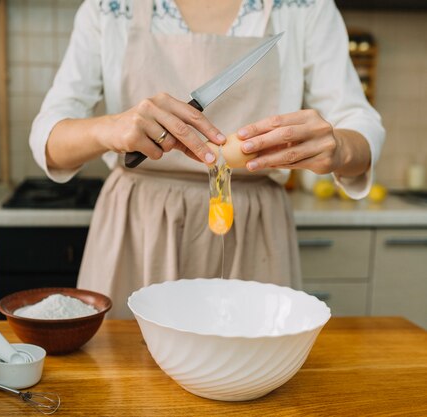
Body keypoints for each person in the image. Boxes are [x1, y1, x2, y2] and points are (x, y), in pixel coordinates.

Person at [29, 0, 385, 318]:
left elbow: (360, 123)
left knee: (250, 370)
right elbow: (48, 138)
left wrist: (340, 147)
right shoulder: (109, 8)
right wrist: (109, 128)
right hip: (138, 230)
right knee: (125, 376)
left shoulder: (305, 8)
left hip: (254, 229)